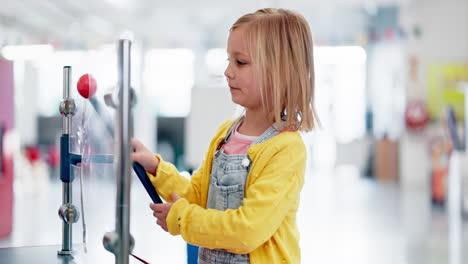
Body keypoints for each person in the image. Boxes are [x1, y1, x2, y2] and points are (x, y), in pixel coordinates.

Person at [132, 8, 318, 264]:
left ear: (278, 72)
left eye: (240, 62)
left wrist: (182, 218)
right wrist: (156, 168)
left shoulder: (285, 148)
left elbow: (247, 231)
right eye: (229, 60)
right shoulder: (226, 134)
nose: (228, 71)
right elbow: (198, 196)